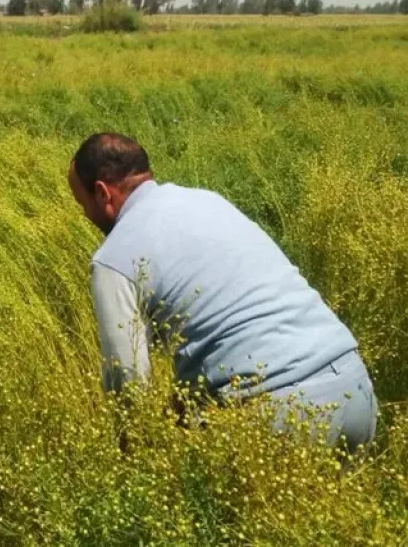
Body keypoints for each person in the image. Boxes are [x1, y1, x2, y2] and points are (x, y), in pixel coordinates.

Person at [67, 132, 377, 451]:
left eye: (82, 203)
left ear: (103, 193)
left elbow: (129, 382)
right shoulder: (209, 201)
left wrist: (133, 464)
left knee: (197, 498)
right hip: (353, 387)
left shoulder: (113, 259)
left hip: (277, 412)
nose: (85, 215)